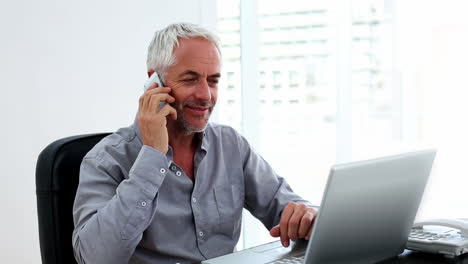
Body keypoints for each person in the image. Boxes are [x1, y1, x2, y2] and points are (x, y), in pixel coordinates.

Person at [72, 22, 318, 264]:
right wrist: (152, 155)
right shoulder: (106, 160)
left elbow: (285, 205)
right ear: (154, 83)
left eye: (213, 80)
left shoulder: (230, 145)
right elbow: (95, 258)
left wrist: (305, 215)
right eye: (190, 79)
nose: (206, 95)